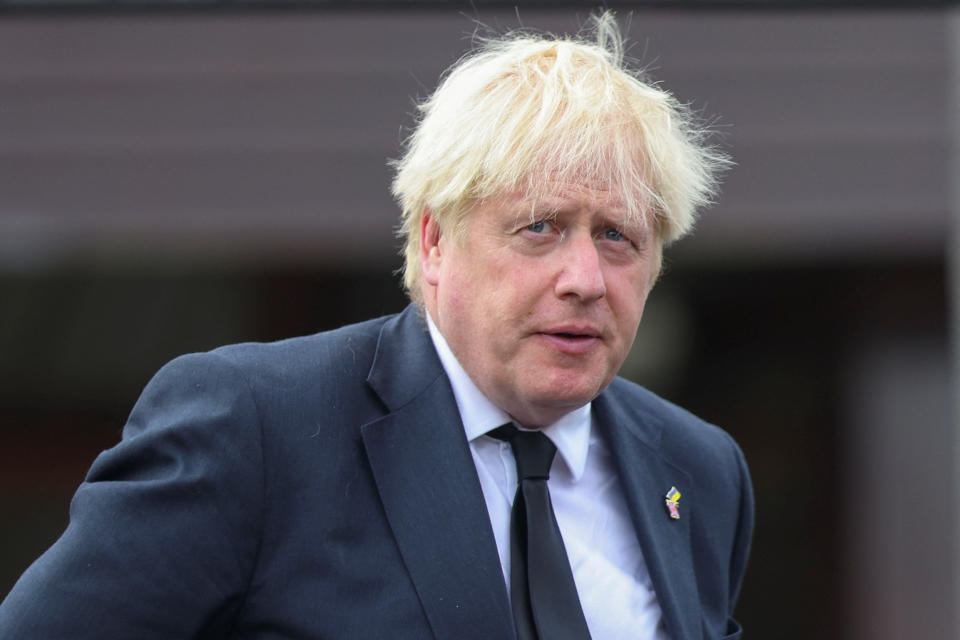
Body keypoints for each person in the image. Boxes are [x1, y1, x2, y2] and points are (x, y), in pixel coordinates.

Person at [0, 13, 752, 640]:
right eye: (539, 228)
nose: (585, 280)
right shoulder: (257, 428)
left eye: (618, 237)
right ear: (433, 243)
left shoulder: (698, 471)